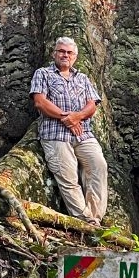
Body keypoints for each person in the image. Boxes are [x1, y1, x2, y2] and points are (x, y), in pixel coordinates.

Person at [30, 36, 108, 226]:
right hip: (55, 134)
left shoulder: (82, 78)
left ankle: (95, 216)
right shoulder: (43, 73)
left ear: (75, 57)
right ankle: (84, 220)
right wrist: (67, 118)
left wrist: (77, 117)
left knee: (99, 165)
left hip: (83, 133)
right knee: (68, 175)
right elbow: (40, 102)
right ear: (54, 53)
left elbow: (92, 105)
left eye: (69, 52)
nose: (65, 55)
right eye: (61, 51)